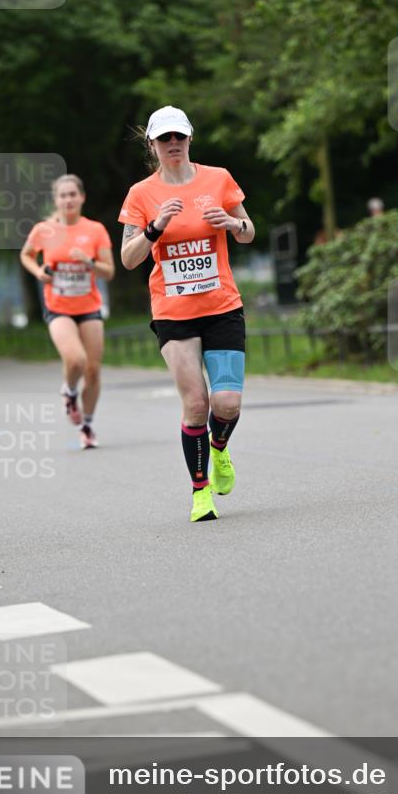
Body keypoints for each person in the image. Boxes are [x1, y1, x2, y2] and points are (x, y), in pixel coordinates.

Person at [119, 105, 255, 522]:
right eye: (165, 139)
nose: (173, 145)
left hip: (222, 306)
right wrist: (154, 228)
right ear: (153, 145)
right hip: (174, 312)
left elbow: (249, 233)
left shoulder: (219, 179)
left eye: (179, 137)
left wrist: (232, 223)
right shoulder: (141, 194)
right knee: (196, 403)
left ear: (190, 139)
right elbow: (127, 258)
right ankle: (200, 493)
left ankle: (219, 450)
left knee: (227, 403)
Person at [20, 174, 115, 449]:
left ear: (82, 197)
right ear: (56, 200)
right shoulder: (43, 230)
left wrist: (89, 262)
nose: (68, 199)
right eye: (63, 195)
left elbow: (109, 271)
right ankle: (70, 391)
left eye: (73, 194)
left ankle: (87, 425)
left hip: (89, 307)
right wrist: (39, 271)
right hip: (58, 306)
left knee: (94, 372)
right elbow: (26, 254)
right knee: (76, 361)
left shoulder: (95, 230)